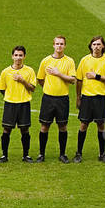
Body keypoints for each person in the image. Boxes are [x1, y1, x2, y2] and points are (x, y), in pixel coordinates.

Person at [74, 35, 105, 163]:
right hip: (87, 97)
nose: (96, 47)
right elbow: (79, 80)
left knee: (101, 124)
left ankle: (102, 153)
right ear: (90, 46)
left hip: (101, 97)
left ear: (103, 46)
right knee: (83, 124)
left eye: (99, 44)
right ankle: (78, 153)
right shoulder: (85, 60)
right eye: (94, 44)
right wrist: (78, 97)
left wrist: (96, 76)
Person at [36, 35, 75, 163]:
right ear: (53, 45)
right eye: (57, 44)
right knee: (44, 126)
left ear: (65, 46)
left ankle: (62, 154)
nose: (59, 46)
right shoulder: (45, 61)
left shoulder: (69, 61)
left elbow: (73, 80)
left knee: (62, 126)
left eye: (61, 44)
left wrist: (58, 74)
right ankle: (41, 154)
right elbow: (40, 79)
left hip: (62, 99)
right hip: (48, 98)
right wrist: (48, 88)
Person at [0, 45, 36, 162]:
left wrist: (22, 80)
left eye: (20, 55)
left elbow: (33, 88)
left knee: (25, 130)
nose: (18, 58)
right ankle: (4, 155)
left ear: (24, 56)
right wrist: (10, 96)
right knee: (6, 129)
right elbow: (2, 88)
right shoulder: (5, 72)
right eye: (16, 55)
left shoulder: (29, 71)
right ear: (12, 56)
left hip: (24, 104)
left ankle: (26, 155)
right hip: (10, 104)